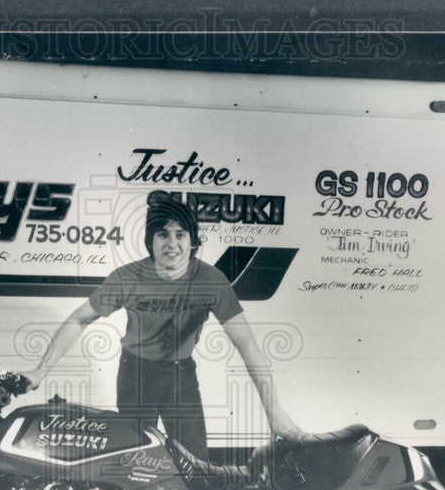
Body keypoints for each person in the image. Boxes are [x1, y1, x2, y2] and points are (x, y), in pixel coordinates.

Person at [19, 191, 306, 459]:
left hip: (179, 375)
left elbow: (248, 345)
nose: (172, 243)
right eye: (163, 234)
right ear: (151, 240)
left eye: (181, 234)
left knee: (196, 464)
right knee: (134, 461)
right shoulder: (128, 277)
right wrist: (40, 370)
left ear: (193, 241)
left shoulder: (211, 281)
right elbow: (78, 319)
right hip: (135, 374)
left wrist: (275, 413)